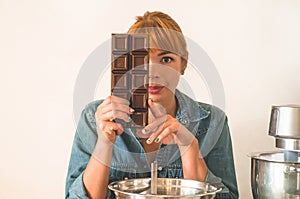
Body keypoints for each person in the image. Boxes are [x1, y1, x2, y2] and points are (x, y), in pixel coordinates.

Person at [65, 11, 239, 199]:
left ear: (184, 63)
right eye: (141, 60)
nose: (153, 72)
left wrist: (189, 147)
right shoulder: (94, 118)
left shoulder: (213, 122)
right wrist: (104, 144)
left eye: (166, 59)